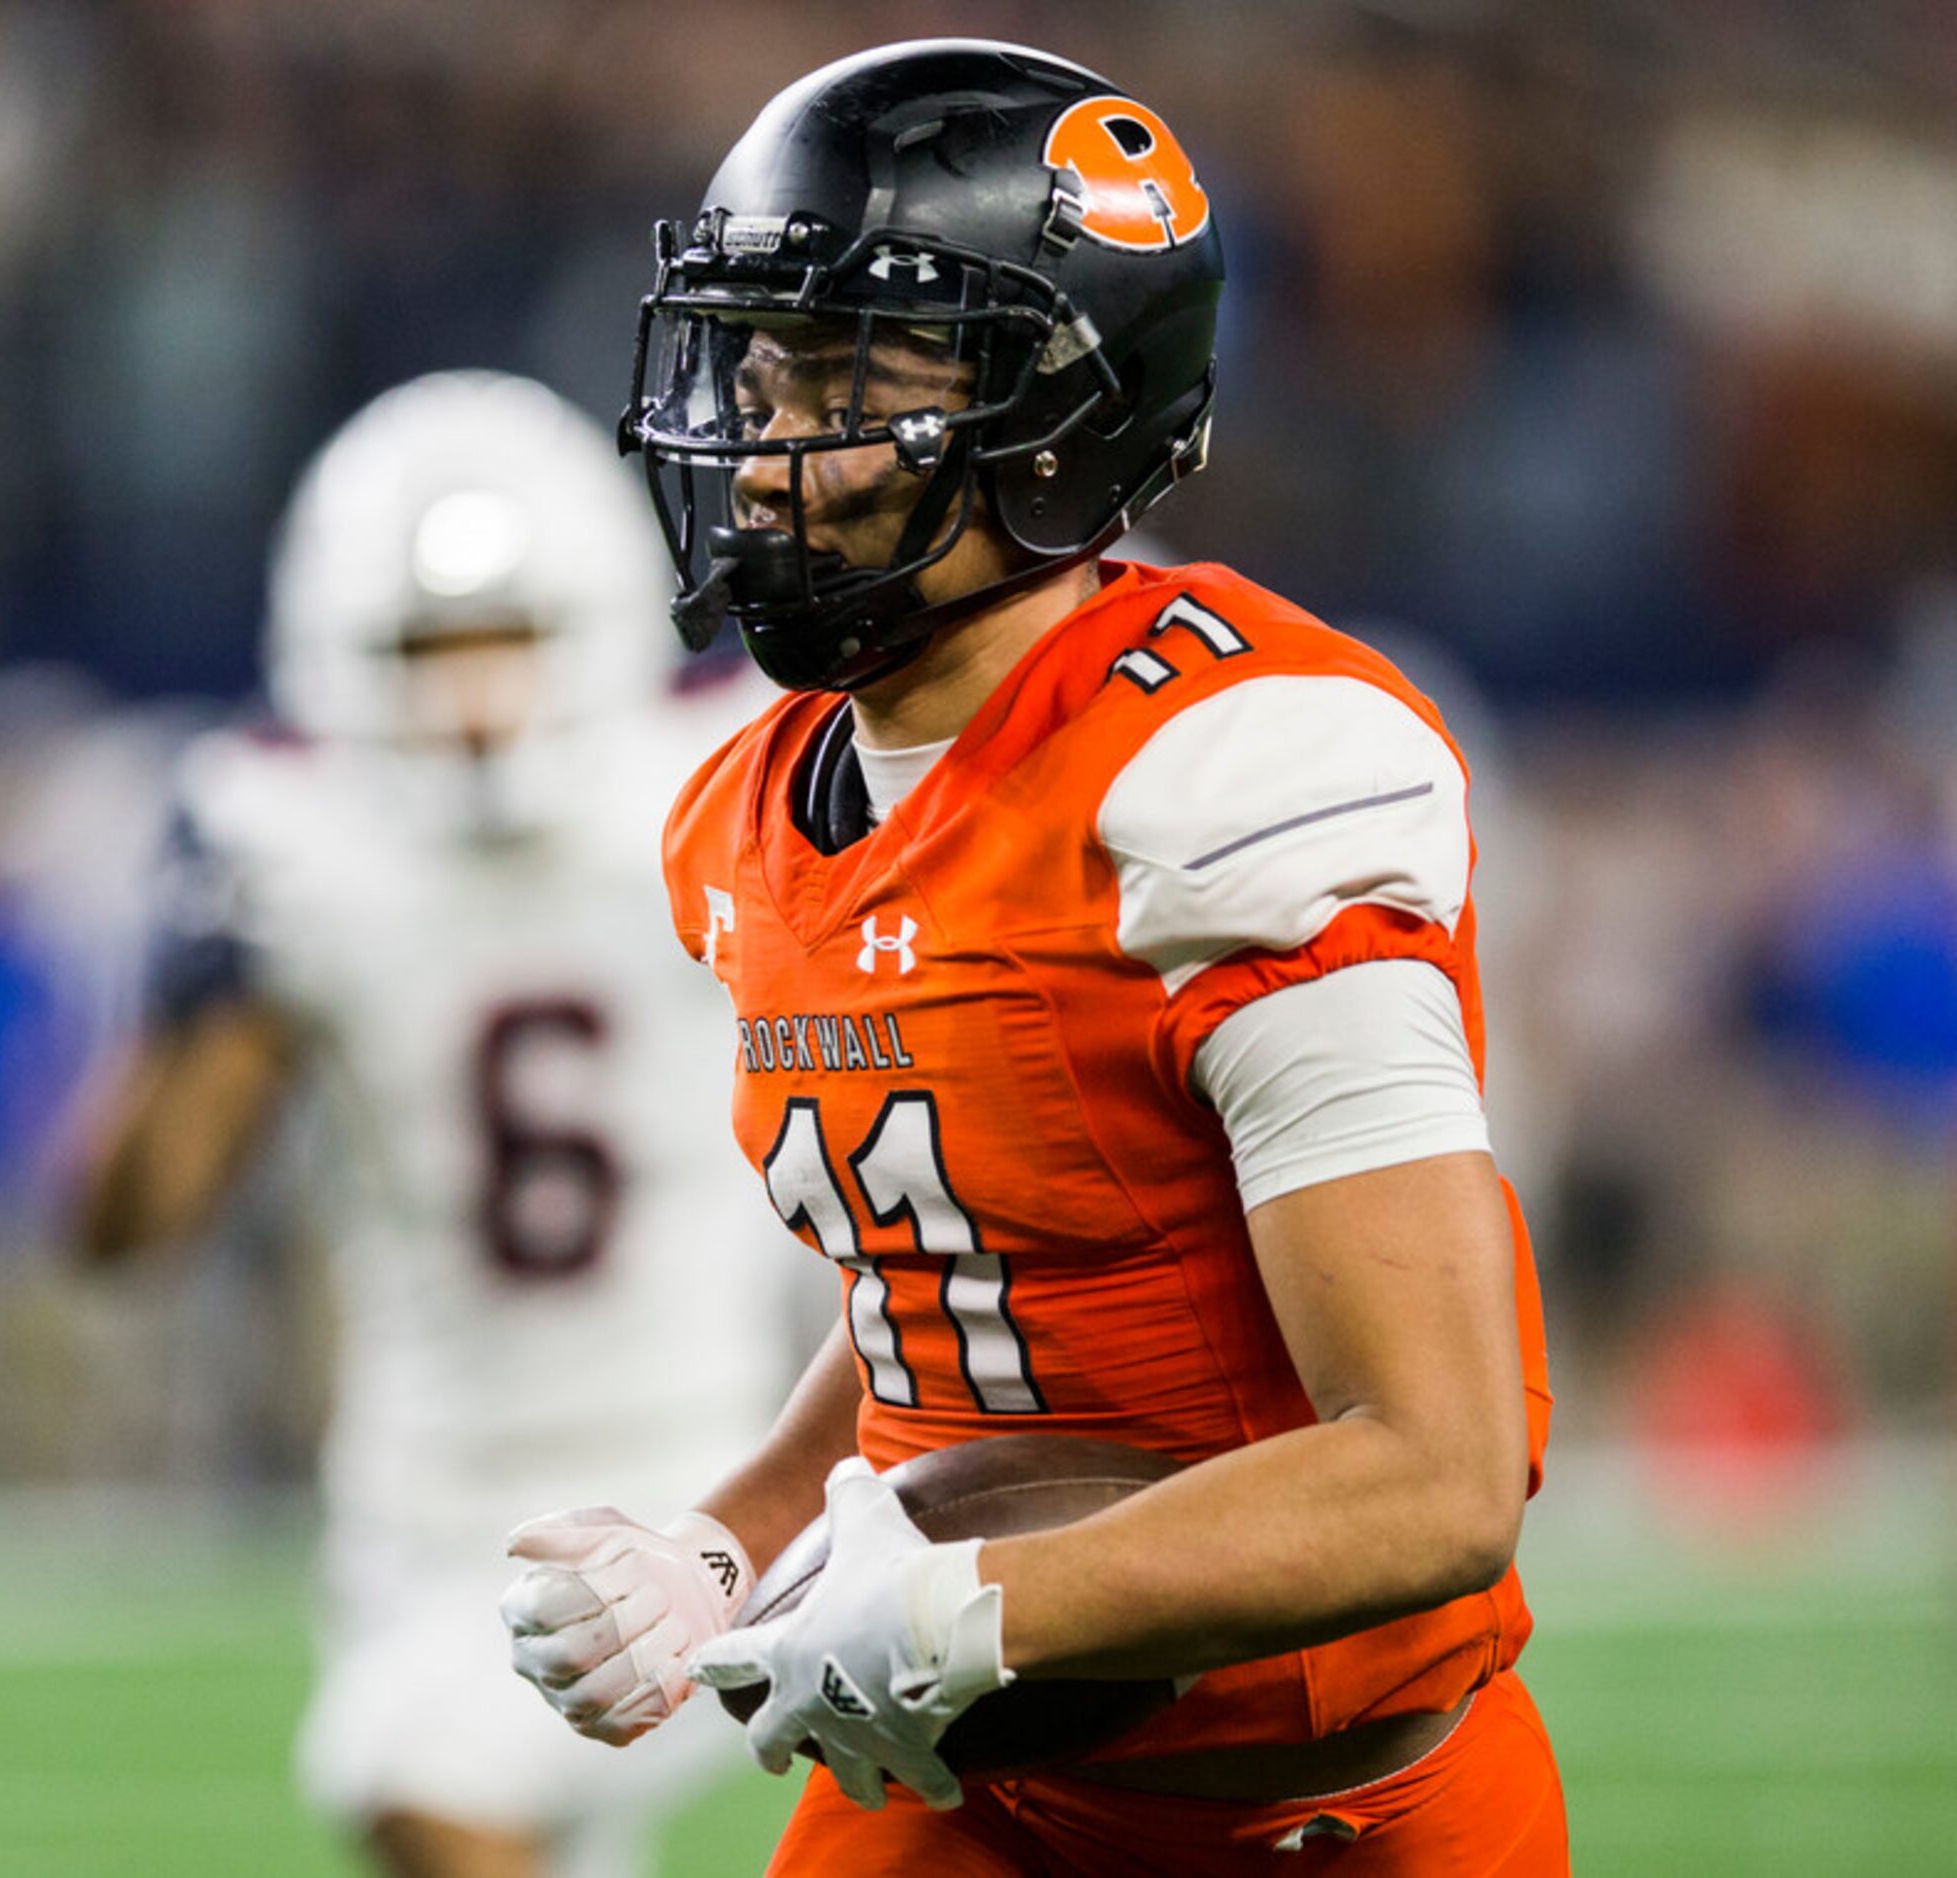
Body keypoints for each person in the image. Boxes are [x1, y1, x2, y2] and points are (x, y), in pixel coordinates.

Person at [499, 39, 1566, 1875]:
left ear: (1053, 420)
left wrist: (972, 1610)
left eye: (839, 377)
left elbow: (1434, 1470)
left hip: (1320, 1808)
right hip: (963, 1786)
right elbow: (967, 1278)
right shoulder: (754, 808)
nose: (758, 442)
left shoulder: (1232, 782)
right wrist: (722, 1543)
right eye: (754, 362)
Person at [74, 370, 800, 1878]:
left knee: (413, 1776)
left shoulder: (722, 775)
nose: (473, 699)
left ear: (593, 627)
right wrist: (193, 1007)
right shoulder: (292, 845)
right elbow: (128, 1227)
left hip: (697, 1456)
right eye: (426, 650)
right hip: (416, 1494)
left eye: (508, 640)